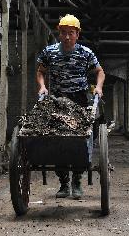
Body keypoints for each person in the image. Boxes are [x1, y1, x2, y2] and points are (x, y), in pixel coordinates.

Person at [36, 14, 105, 199]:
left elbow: (100, 72)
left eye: (71, 33)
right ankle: (64, 183)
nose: (67, 37)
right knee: (58, 139)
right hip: (57, 101)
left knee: (81, 139)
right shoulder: (49, 52)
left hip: (80, 101)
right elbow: (41, 71)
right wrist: (42, 86)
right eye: (64, 33)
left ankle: (77, 181)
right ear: (59, 33)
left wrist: (98, 87)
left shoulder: (85, 53)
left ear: (77, 34)